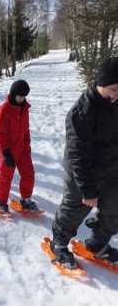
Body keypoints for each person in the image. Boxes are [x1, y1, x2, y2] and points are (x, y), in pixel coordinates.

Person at [50, 57, 118, 269]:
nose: (117, 94)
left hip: (112, 170)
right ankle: (59, 243)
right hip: (82, 173)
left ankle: (97, 243)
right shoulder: (82, 112)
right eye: (114, 89)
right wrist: (87, 190)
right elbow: (77, 153)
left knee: (115, 209)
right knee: (73, 209)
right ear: (100, 83)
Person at [0, 80, 38, 215]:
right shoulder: (4, 110)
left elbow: (26, 130)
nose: (21, 100)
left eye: (24, 97)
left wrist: (28, 145)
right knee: (6, 177)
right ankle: (1, 201)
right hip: (10, 151)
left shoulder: (25, 109)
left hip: (23, 150)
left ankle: (25, 199)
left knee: (29, 174)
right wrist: (6, 153)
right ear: (13, 94)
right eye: (19, 97)